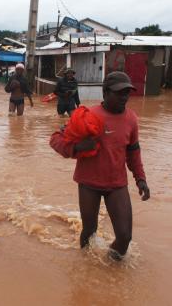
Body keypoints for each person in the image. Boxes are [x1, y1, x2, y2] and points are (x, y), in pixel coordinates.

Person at [50, 71, 150, 261]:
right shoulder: (87, 116)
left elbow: (133, 151)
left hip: (117, 184)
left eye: (127, 93)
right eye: (119, 93)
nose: (124, 97)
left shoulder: (131, 119)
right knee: (89, 230)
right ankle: (86, 268)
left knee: (124, 237)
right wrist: (78, 147)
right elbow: (56, 140)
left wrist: (140, 178)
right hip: (89, 183)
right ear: (105, 93)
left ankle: (109, 268)